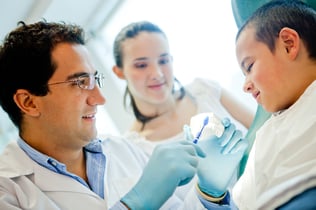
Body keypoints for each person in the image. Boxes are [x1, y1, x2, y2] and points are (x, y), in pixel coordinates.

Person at [0, 20, 248, 210]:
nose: (99, 98)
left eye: (94, 80)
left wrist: (209, 193)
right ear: (28, 102)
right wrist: (135, 203)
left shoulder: (121, 150)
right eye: (79, 83)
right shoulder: (8, 191)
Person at [203, 0, 316, 209]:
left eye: (250, 66)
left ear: (288, 44)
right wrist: (210, 196)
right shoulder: (264, 137)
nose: (245, 86)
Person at [112, 21, 254, 156]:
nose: (157, 74)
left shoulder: (205, 91)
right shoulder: (134, 149)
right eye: (141, 65)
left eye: (163, 61)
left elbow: (264, 127)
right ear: (119, 72)